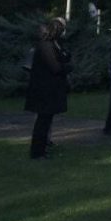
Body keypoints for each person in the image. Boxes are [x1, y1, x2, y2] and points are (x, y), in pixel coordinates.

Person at [25, 18, 72, 159]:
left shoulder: (52, 44)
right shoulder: (45, 45)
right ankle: (37, 151)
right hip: (44, 89)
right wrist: (67, 67)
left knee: (45, 120)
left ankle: (42, 147)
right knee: (42, 121)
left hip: (50, 88)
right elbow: (55, 67)